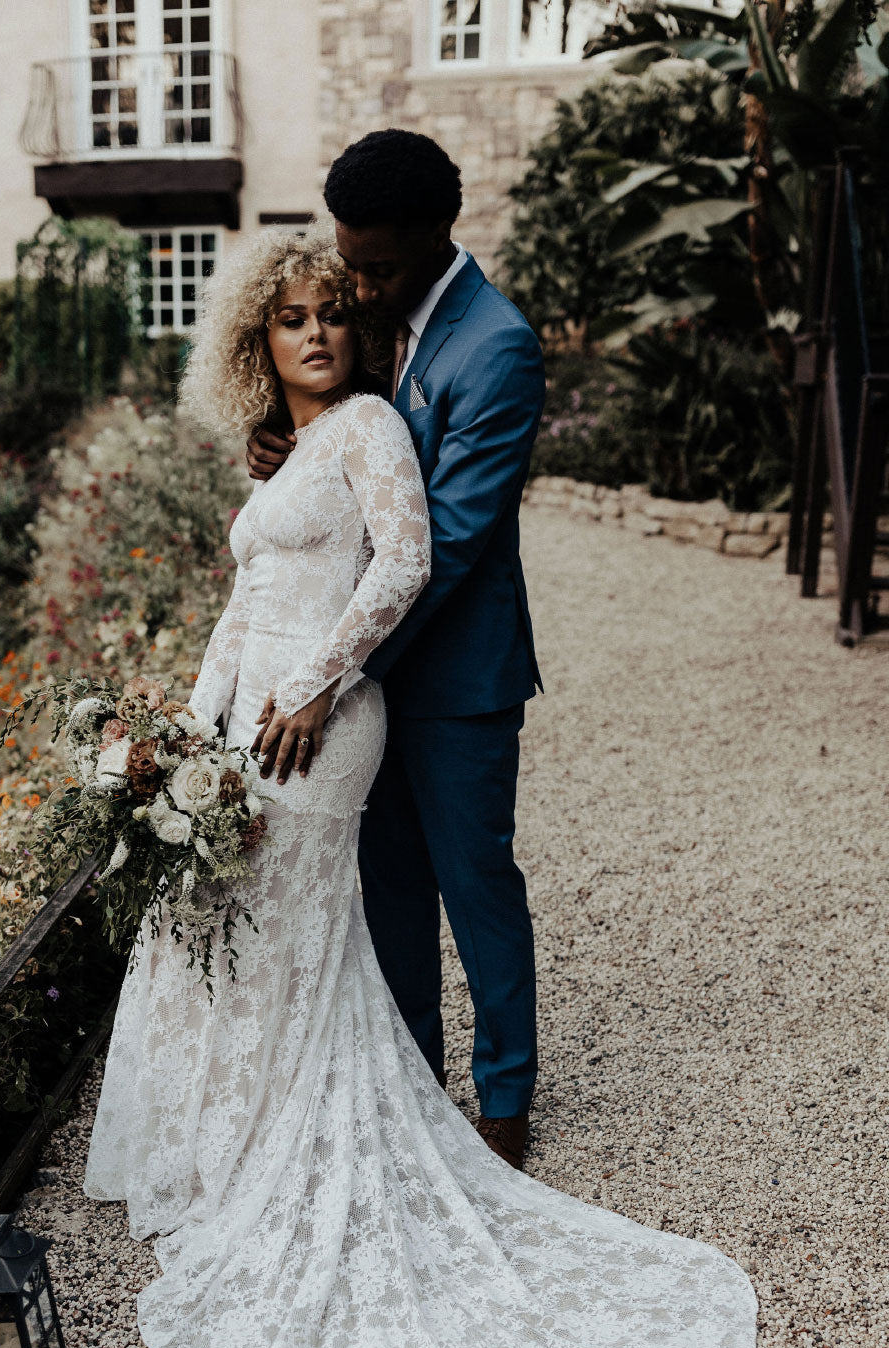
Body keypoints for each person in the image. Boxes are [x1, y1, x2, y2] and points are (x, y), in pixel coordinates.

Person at [84, 226, 756, 1348]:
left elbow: (407, 560)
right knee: (233, 921)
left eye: (336, 312)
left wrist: (322, 684)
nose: (320, 332)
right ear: (257, 342)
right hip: (242, 720)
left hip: (321, 720)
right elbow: (235, 609)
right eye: (293, 319)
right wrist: (184, 729)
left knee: (298, 917)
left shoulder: (372, 431)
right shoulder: (285, 451)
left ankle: (351, 1125)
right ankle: (235, 1133)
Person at [249, 130, 543, 1171]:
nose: (360, 289)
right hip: (373, 678)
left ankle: (505, 1097)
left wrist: (337, 667)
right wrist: (284, 450)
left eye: (378, 268)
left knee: (476, 884)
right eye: (351, 262)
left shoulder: (495, 345)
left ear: (438, 234)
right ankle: (414, 1080)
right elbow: (347, 441)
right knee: (391, 889)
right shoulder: (388, 329)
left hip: (456, 676)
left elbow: (452, 540)